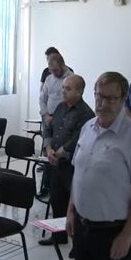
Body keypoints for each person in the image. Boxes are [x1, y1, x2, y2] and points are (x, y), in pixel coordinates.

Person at [66, 72, 131, 260]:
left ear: (122, 99)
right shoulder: (87, 128)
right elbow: (79, 174)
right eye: (98, 96)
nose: (101, 103)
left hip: (112, 232)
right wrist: (70, 212)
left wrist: (126, 235)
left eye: (109, 98)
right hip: (83, 228)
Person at [38, 75, 94, 246]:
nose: (63, 91)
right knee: (57, 200)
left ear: (80, 91)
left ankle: (78, 242)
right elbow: (48, 128)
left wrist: (59, 153)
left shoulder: (86, 113)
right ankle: (58, 236)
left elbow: (78, 139)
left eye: (68, 89)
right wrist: (48, 149)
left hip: (72, 165)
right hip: (55, 162)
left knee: (76, 205)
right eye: (63, 87)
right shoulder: (60, 107)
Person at [38, 53, 73, 197]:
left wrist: (56, 117)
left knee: (56, 154)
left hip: (62, 121)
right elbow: (42, 98)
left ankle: (56, 189)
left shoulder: (70, 79)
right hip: (48, 119)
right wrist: (46, 114)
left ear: (63, 65)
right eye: (51, 70)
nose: (54, 73)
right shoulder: (48, 78)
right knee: (48, 151)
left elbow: (70, 101)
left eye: (56, 70)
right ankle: (45, 187)